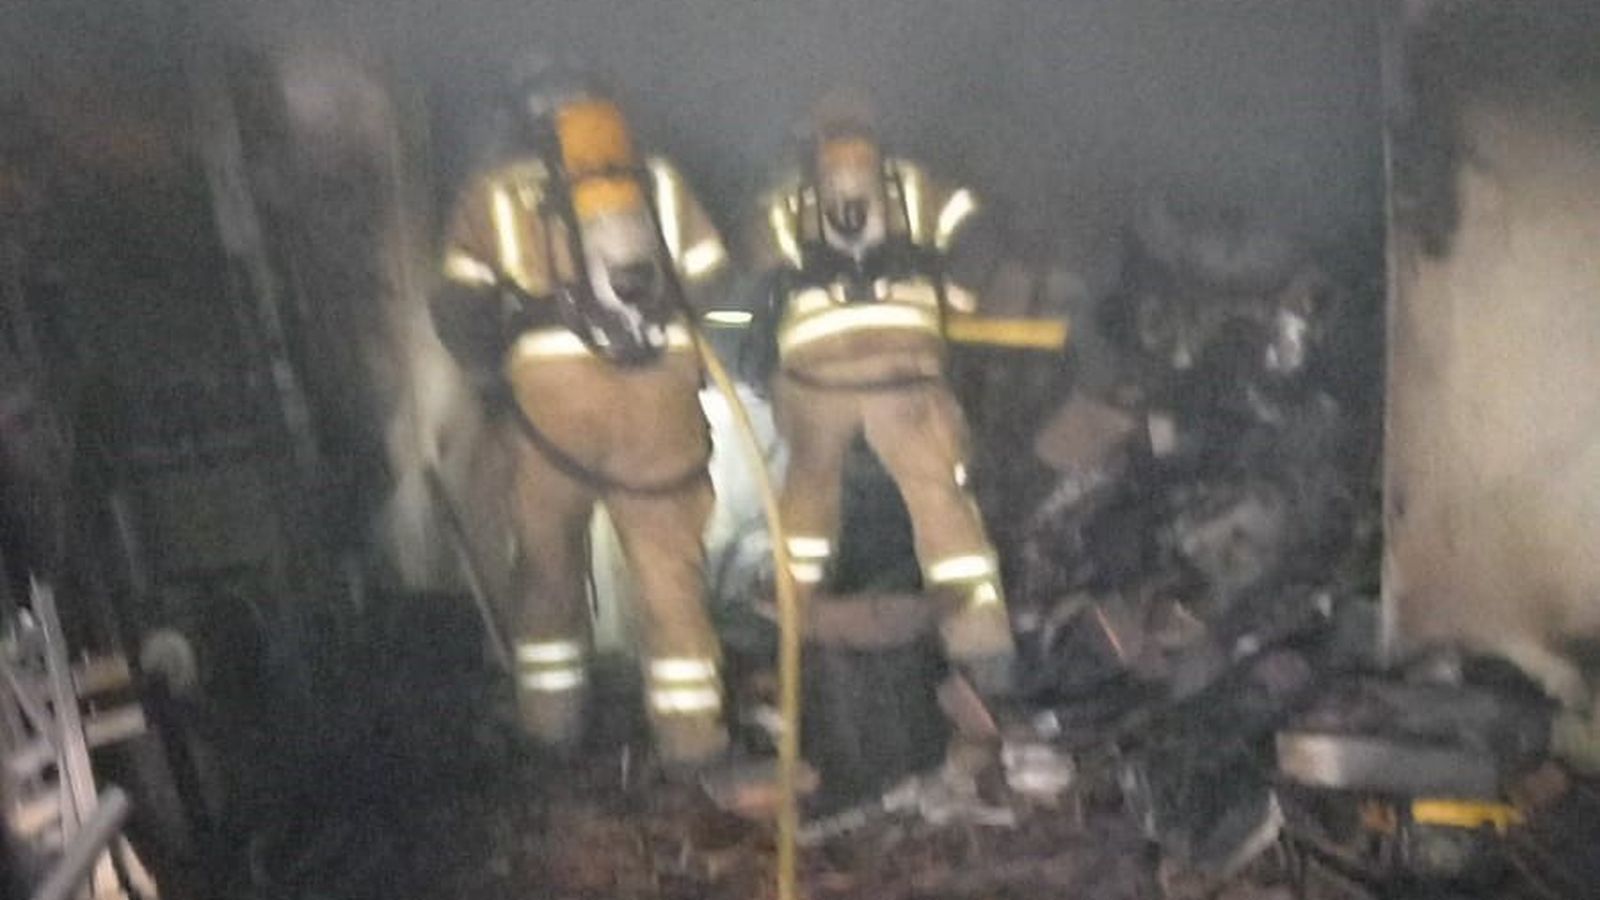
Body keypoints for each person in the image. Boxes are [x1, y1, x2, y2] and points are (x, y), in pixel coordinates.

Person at [429, 59, 731, 766]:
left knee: (547, 574)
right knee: (670, 580)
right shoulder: (659, 182)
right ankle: (692, 745)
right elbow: (719, 285)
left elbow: (458, 306)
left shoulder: (496, 194)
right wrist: (679, 357)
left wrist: (492, 381)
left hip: (551, 414)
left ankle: (551, 733)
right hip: (660, 406)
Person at [749, 96, 1015, 694]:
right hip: (907, 374)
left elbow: (762, 281)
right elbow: (984, 231)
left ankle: (788, 629)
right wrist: (958, 304)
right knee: (940, 499)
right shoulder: (917, 187)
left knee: (808, 496)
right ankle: (984, 650)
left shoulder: (787, 203)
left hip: (818, 383)